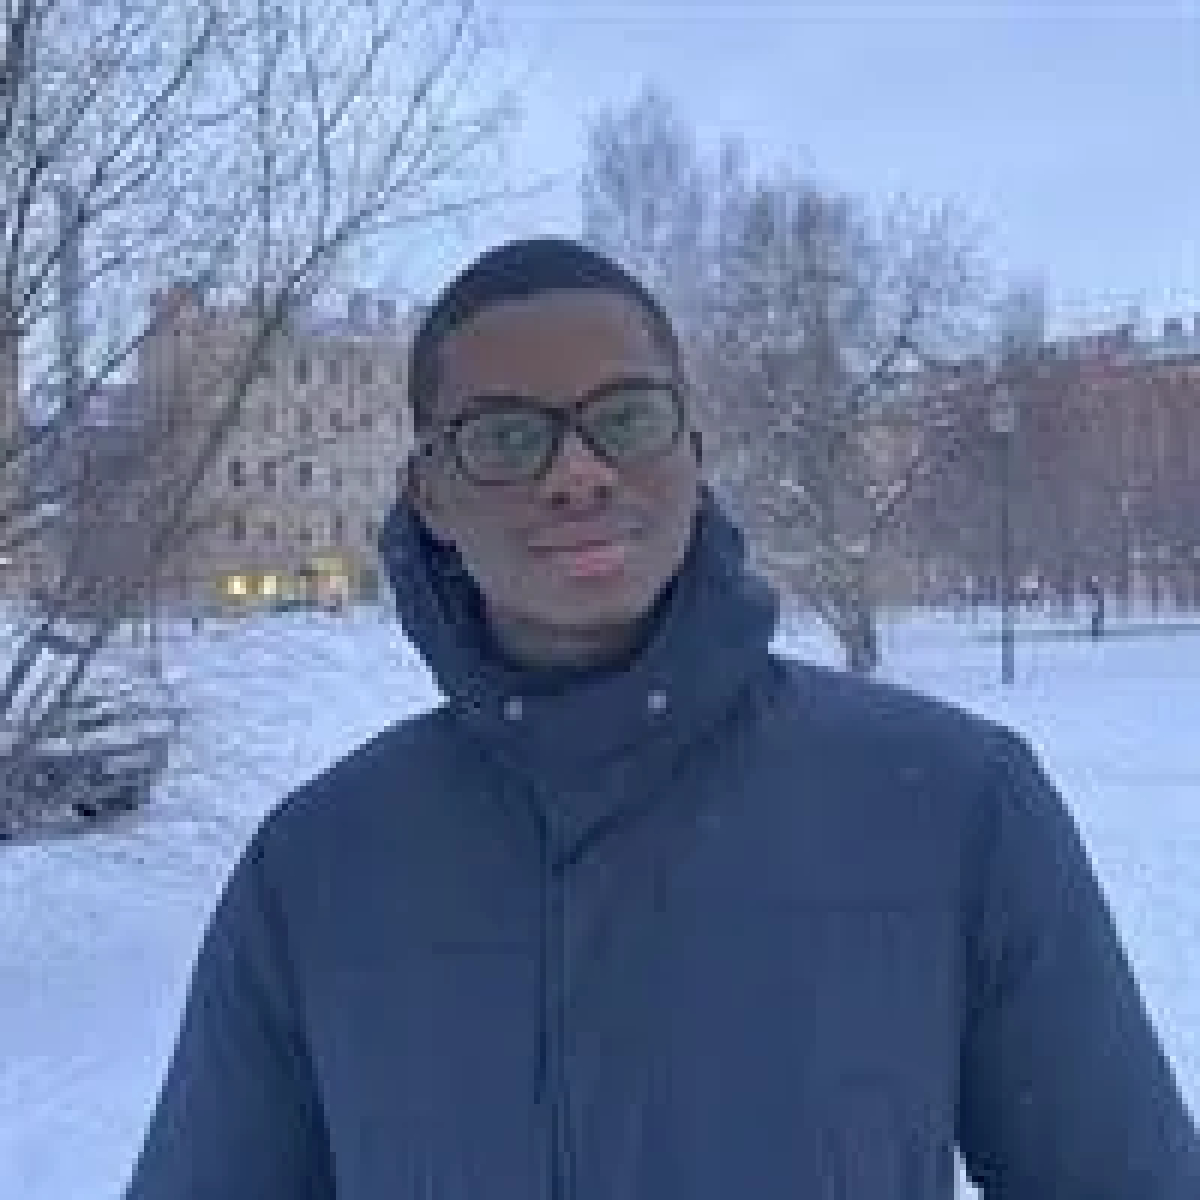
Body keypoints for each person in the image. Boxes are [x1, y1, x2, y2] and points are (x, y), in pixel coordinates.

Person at [123, 238, 1199, 1200]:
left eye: (626, 419)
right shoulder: (320, 871)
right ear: (430, 494)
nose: (578, 473)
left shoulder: (956, 808)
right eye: (506, 437)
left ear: (693, 448)